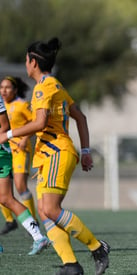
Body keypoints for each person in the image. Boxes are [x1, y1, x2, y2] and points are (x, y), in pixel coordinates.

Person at [0, 37, 110, 275]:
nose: (25, 64)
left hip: (56, 153)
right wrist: (86, 151)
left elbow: (39, 123)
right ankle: (70, 264)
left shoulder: (43, 87)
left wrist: (7, 134)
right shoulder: (56, 85)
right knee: (45, 211)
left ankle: (97, 247)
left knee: (50, 210)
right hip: (52, 154)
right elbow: (81, 118)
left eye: (26, 60)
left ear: (33, 62)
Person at [0, 91, 50, 255]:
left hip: (2, 152)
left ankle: (38, 236)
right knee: (5, 198)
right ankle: (38, 237)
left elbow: (4, 126)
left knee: (7, 198)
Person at [0, 76, 36, 235]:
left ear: (15, 90)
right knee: (3, 190)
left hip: (20, 150)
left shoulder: (22, 105)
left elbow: (35, 123)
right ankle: (10, 220)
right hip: (5, 151)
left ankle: (33, 223)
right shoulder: (2, 106)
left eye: (8, 87)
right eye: (2, 87)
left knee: (21, 186)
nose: (4, 91)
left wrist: (25, 139)